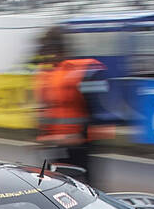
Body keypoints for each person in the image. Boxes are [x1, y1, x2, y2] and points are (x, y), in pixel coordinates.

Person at [33, 27, 120, 185]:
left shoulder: (81, 71)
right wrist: (43, 135)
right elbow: (45, 110)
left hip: (79, 144)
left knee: (84, 185)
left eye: (50, 50)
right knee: (59, 184)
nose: (48, 55)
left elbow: (93, 108)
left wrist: (79, 136)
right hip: (57, 143)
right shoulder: (47, 75)